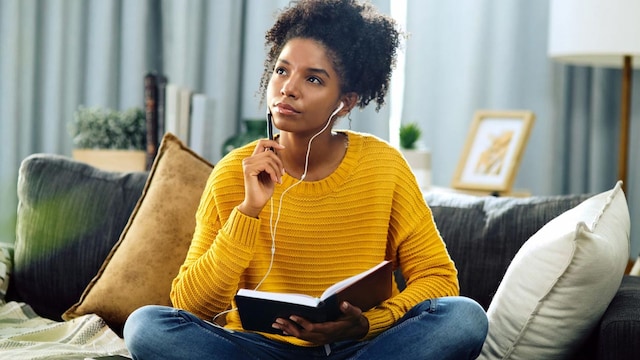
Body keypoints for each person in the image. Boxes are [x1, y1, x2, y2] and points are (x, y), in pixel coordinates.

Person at [123, 0, 488, 359]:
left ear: (344, 103)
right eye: (282, 71)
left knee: (464, 317)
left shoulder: (384, 167)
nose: (288, 88)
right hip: (261, 348)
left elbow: (438, 279)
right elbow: (191, 306)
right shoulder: (235, 172)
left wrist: (365, 325)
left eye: (313, 78)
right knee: (147, 325)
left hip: (362, 346)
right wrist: (249, 210)